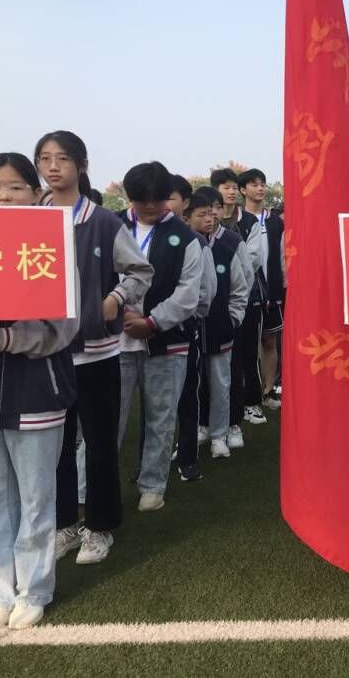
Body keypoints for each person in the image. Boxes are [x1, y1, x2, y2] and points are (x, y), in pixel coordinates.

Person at [0, 153, 79, 630]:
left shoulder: (53, 245)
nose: (4, 196)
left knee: (36, 500)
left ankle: (35, 588)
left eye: (16, 187)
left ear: (36, 193)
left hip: (35, 394)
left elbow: (64, 326)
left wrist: (6, 338)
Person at [36, 131, 153, 566]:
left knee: (100, 442)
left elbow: (140, 271)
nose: (53, 167)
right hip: (45, 352)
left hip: (97, 352)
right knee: (55, 445)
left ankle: (100, 526)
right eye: (45, 158)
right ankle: (65, 523)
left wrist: (115, 299)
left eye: (63, 158)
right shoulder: (32, 219)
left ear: (81, 165)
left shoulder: (103, 222)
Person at [116, 162, 203, 512]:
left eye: (157, 199)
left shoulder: (185, 237)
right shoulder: (112, 227)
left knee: (161, 416)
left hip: (168, 340)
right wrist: (118, 313)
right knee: (109, 419)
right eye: (142, 199)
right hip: (116, 340)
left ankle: (153, 484)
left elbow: (189, 293)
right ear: (130, 197)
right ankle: (94, 486)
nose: (150, 206)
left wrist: (152, 322)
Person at [193, 186, 252, 458]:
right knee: (194, 383)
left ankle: (220, 433)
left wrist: (233, 317)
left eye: (216, 209)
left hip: (221, 326)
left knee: (221, 382)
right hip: (191, 329)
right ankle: (200, 426)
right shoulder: (189, 242)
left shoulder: (230, 242)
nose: (212, 215)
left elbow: (243, 283)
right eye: (205, 211)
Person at [166, 175, 217, 481]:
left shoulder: (195, 242)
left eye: (169, 197)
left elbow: (206, 290)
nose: (162, 204)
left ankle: (187, 457)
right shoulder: (141, 234)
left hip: (185, 329)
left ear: (184, 204)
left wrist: (193, 314)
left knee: (187, 394)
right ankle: (150, 464)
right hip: (147, 333)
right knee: (153, 402)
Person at [212, 168, 266, 429]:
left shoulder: (250, 222)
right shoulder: (208, 219)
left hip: (247, 296)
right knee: (219, 357)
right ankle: (220, 408)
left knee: (248, 352)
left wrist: (230, 278)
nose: (231, 192)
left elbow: (253, 259)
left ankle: (251, 402)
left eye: (234, 187)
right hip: (214, 299)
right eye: (226, 187)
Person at [238, 169, 285, 411]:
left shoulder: (275, 221)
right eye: (254, 184)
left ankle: (268, 390)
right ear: (243, 190)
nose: (260, 188)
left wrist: (283, 286)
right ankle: (246, 393)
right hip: (247, 292)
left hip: (273, 290)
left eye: (263, 184)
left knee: (270, 340)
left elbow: (283, 255)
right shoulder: (238, 221)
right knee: (246, 345)